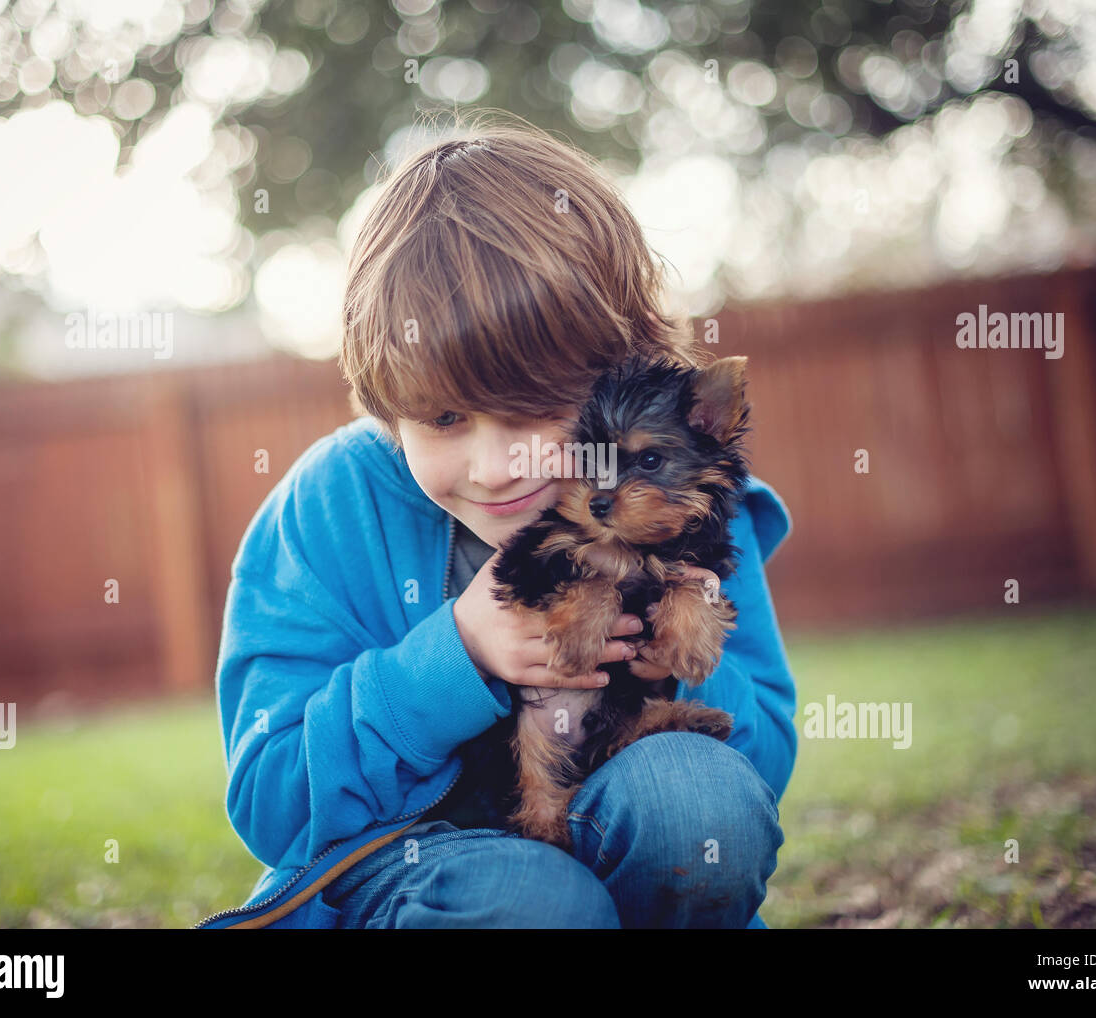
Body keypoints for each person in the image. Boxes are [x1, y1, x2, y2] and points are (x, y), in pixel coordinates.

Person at [198, 112, 798, 930]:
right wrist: (456, 659)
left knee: (697, 808)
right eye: (444, 419)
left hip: (611, 804)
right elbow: (273, 799)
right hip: (410, 866)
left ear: (622, 370)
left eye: (537, 409)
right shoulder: (326, 508)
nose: (493, 465)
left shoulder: (677, 497)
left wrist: (676, 665)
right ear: (388, 406)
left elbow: (762, 765)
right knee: (529, 902)